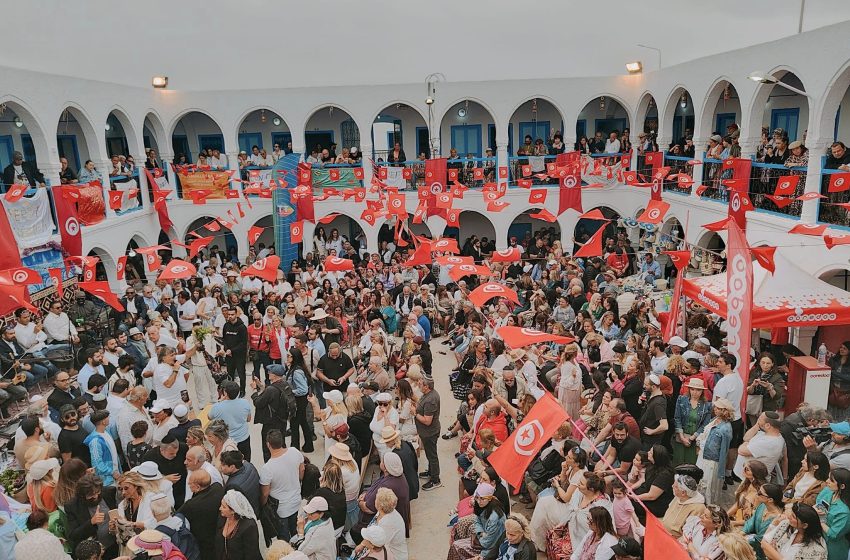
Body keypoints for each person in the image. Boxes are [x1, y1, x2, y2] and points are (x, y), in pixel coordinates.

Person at [260, 429, 305, 541]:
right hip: (296, 501)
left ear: (268, 445)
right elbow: (301, 472)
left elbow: (265, 494)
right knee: (297, 533)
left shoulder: (267, 468)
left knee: (284, 538)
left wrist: (262, 505)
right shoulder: (295, 452)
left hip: (281, 509)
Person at [447, 482, 506, 560]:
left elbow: (488, 543)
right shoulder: (481, 504)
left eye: (482, 498)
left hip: (490, 548)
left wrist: (478, 536)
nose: (479, 501)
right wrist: (480, 532)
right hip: (483, 536)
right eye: (477, 497)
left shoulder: (494, 517)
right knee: (461, 524)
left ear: (489, 498)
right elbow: (477, 520)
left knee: (456, 546)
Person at [178, 470, 225, 560]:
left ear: (198, 487)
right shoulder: (217, 488)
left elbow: (178, 516)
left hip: (202, 541)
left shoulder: (191, 505)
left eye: (190, 484)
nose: (188, 484)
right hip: (217, 536)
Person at [696, 398, 735, 504]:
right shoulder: (714, 420)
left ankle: (708, 505)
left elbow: (724, 451)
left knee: (707, 484)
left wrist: (721, 471)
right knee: (700, 481)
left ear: (724, 411)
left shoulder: (726, 429)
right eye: (716, 407)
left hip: (712, 460)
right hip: (703, 455)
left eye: (718, 408)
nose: (715, 409)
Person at [761, 502, 828, 560]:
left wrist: (773, 554)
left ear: (804, 525)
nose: (789, 516)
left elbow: (768, 549)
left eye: (793, 516)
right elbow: (764, 544)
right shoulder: (785, 524)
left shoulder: (817, 548)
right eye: (791, 513)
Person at [672, 377, 713, 466]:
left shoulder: (707, 405)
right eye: (692, 389)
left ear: (702, 391)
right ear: (689, 389)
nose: (695, 392)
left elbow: (705, 424)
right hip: (681, 436)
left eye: (698, 390)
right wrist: (682, 437)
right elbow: (677, 418)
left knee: (691, 464)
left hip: (695, 438)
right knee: (679, 463)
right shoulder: (681, 400)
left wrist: (692, 438)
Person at [209, 380, 253, 461]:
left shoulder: (217, 407)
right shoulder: (245, 403)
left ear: (225, 393)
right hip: (244, 438)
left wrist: (220, 401)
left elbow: (209, 417)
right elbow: (248, 419)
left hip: (227, 442)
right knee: (246, 462)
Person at [215, 489, 263, 560]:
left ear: (233, 510)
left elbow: (251, 555)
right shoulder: (223, 518)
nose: (220, 508)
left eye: (223, 507)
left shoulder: (249, 526)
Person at [814, 468, 850, 560]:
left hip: (833, 548)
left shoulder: (844, 511)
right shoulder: (828, 491)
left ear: (842, 486)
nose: (827, 481)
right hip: (819, 537)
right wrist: (816, 509)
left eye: (831, 480)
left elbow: (833, 534)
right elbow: (819, 502)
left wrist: (821, 521)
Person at [742, 483, 784, 560]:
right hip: (752, 540)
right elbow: (751, 522)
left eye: (760, 493)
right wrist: (741, 532)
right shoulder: (763, 506)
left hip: (760, 550)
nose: (757, 493)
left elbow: (760, 539)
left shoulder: (777, 519)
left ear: (770, 500)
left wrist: (741, 539)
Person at [416, 376, 442, 490]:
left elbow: (427, 421)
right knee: (429, 454)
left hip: (430, 433)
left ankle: (435, 480)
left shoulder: (431, 400)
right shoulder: (428, 395)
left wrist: (414, 413)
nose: (418, 385)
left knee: (432, 456)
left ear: (427, 387)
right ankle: (431, 471)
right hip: (427, 433)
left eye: (421, 384)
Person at [661, 474, 705, 539]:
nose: (672, 486)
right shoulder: (678, 497)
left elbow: (688, 534)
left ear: (683, 493)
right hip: (663, 533)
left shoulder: (697, 508)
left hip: (675, 541)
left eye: (675, 486)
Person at [220, 450, 262, 518]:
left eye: (223, 465)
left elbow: (233, 508)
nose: (221, 467)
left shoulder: (232, 486)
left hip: (248, 515)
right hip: (256, 506)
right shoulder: (248, 465)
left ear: (232, 467)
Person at [297, 496, 336, 560]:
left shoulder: (319, 532)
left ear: (321, 513)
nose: (308, 515)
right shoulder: (328, 519)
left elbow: (301, 551)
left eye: (311, 514)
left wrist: (301, 530)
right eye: (307, 512)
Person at [222, 307, 249, 396]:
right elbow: (224, 340)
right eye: (228, 314)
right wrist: (227, 349)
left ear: (236, 314)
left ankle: (242, 391)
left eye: (232, 314)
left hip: (239, 355)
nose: (230, 316)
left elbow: (243, 343)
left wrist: (232, 350)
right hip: (229, 355)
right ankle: (231, 391)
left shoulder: (242, 327)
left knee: (241, 374)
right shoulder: (226, 325)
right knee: (230, 374)